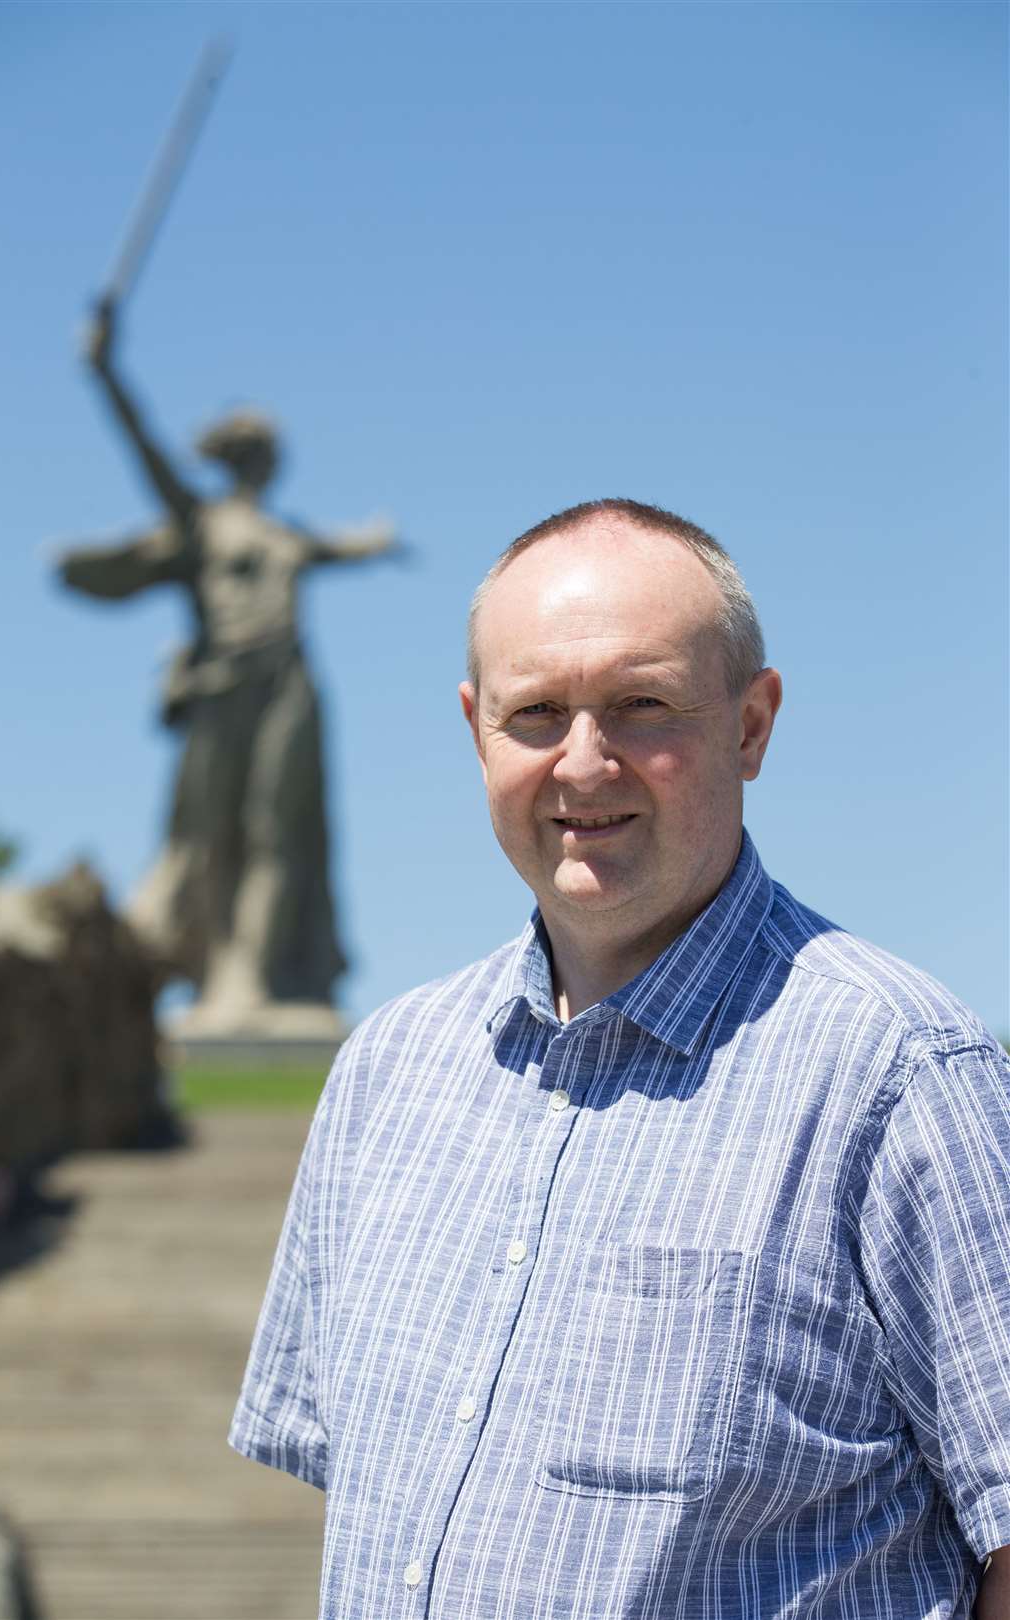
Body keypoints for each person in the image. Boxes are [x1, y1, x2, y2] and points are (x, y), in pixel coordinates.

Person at [230, 498, 1010, 1617]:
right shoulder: (384, 1077)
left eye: (642, 707)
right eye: (536, 714)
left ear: (751, 725)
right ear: (474, 729)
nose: (584, 765)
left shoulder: (902, 1077)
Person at [57, 304, 400, 1029]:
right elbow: (143, 447)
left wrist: (377, 542)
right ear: (235, 458)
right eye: (254, 451)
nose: (263, 462)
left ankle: (259, 977)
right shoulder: (200, 521)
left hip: (289, 684)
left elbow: (344, 547)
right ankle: (219, 974)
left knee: (282, 830)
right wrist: (105, 370)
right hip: (223, 686)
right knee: (211, 836)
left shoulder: (286, 534)